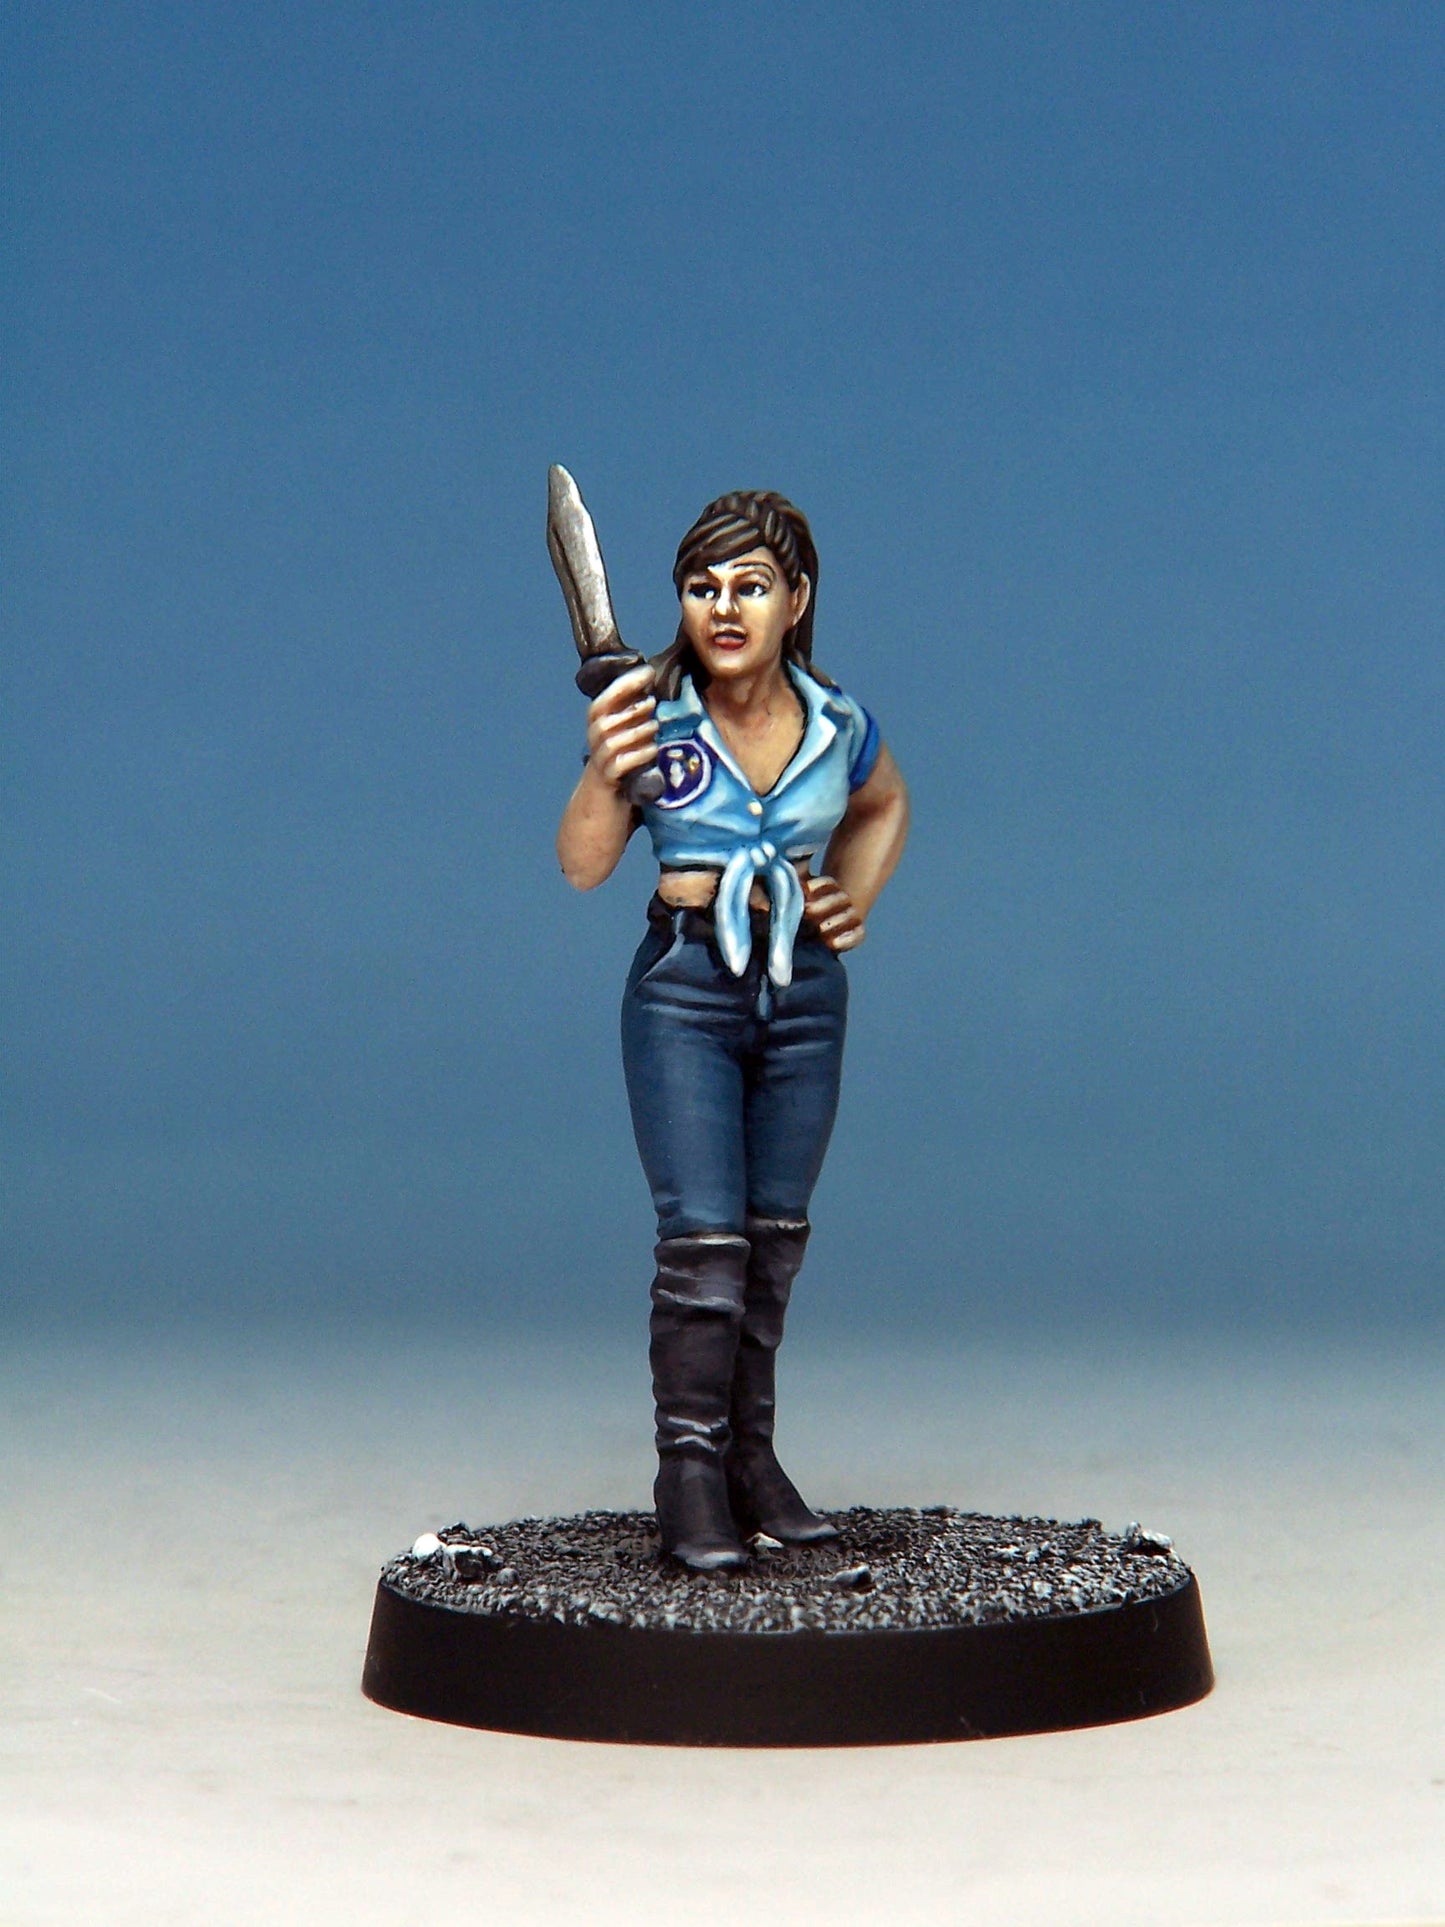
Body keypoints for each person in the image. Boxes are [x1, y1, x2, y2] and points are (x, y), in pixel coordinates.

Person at [557, 490, 909, 1571]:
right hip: (687, 985)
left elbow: (883, 804)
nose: (723, 608)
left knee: (772, 1242)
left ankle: (750, 1458)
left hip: (802, 989)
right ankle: (689, 1476)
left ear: (795, 599)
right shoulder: (650, 714)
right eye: (700, 587)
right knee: (703, 1247)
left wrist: (849, 896)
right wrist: (603, 766)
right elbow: (582, 864)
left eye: (749, 586)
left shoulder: (837, 722)